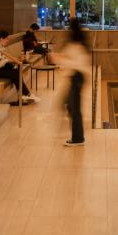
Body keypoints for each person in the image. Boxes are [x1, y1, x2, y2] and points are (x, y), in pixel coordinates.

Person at [51, 18, 91, 146]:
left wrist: (58, 59)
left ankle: (78, 138)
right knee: (72, 106)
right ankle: (77, 135)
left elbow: (75, 63)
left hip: (77, 77)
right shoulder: (80, 42)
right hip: (78, 77)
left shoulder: (75, 43)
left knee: (75, 109)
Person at [0, 30, 36, 103]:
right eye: (7, 39)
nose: (8, 41)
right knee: (14, 73)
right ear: (1, 39)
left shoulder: (0, 47)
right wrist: (8, 60)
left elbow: (3, 59)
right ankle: (24, 94)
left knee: (15, 69)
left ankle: (23, 94)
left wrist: (13, 60)